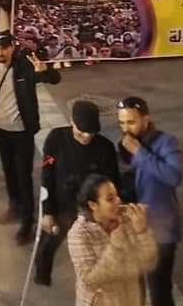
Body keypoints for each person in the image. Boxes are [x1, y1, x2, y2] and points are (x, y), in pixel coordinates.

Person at [0, 33, 61, 245]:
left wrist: (46, 71)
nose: (0, 52)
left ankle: (27, 221)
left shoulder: (25, 67)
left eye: (5, 47)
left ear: (13, 48)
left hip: (22, 131)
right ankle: (14, 206)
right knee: (8, 171)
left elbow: (55, 79)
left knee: (23, 174)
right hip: (2, 129)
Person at [116, 96, 183, 306]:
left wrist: (139, 153)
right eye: (122, 123)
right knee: (134, 291)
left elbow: (174, 176)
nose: (126, 128)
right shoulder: (123, 143)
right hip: (132, 229)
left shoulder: (166, 142)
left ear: (146, 118)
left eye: (131, 122)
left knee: (159, 295)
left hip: (160, 232)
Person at [67, 174, 157, 306]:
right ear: (93, 205)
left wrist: (141, 231)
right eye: (110, 198)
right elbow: (90, 278)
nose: (118, 201)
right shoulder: (79, 234)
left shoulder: (125, 220)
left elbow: (148, 260)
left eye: (117, 195)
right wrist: (115, 245)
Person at [36, 100, 120, 286]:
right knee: (46, 246)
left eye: (91, 132)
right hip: (62, 204)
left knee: (96, 253)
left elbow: (112, 183)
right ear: (72, 123)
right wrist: (47, 211)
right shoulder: (56, 139)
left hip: (92, 209)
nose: (87, 136)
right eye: (82, 131)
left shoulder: (104, 148)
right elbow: (47, 175)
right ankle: (42, 278)